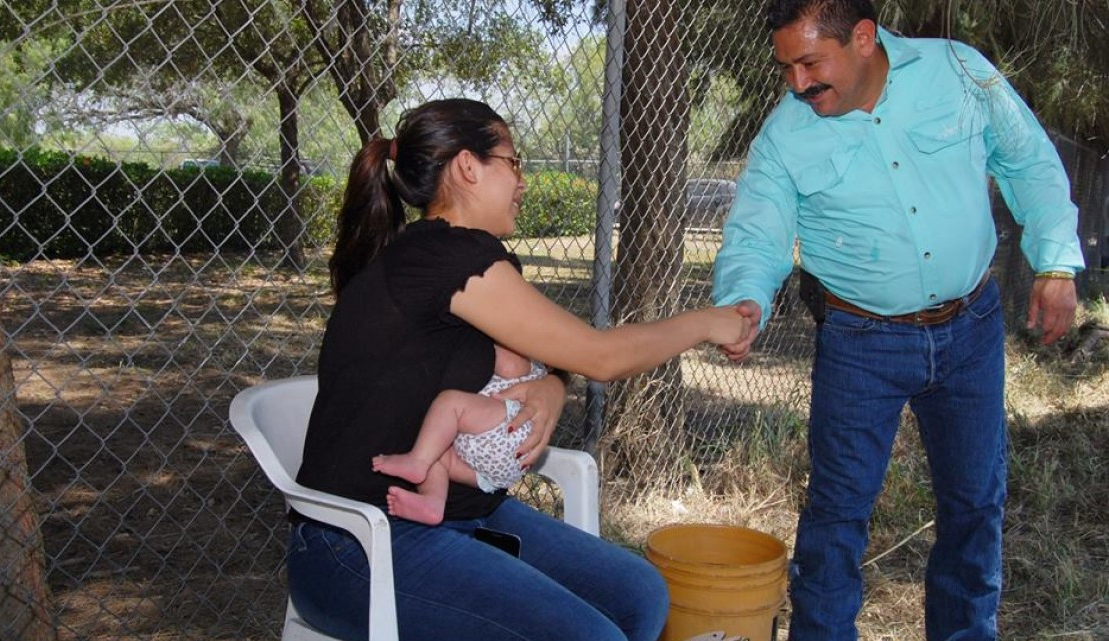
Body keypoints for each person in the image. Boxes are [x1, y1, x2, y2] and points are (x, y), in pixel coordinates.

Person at [291, 97, 748, 641]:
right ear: (468, 166)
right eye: (513, 161)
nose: (522, 181)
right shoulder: (449, 260)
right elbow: (601, 356)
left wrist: (552, 386)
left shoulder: (455, 257)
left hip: (457, 515)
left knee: (639, 594)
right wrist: (706, 322)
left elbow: (553, 354)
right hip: (356, 547)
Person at [711, 2, 1084, 640]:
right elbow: (755, 234)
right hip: (861, 343)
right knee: (836, 517)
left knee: (975, 504)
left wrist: (1054, 262)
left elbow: (1028, 161)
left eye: (810, 63)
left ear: (863, 38)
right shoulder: (784, 135)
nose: (797, 83)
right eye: (786, 68)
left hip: (970, 329)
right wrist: (744, 300)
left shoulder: (960, 72)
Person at [372, 344, 547, 525]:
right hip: (500, 470)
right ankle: (432, 502)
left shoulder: (526, 365)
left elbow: (510, 364)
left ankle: (417, 462)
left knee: (451, 404)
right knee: (435, 450)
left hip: (510, 427)